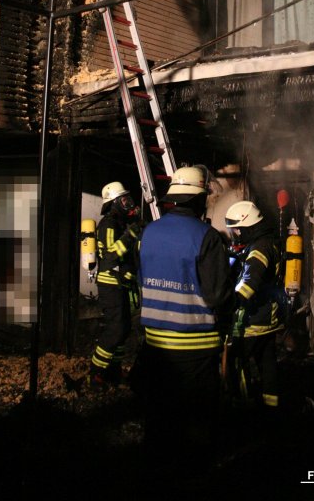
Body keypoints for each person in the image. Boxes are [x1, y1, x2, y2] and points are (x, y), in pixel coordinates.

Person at [138, 165, 234, 470]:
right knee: (195, 421)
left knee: (160, 415)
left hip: (155, 345)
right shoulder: (207, 237)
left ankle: (156, 471)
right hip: (195, 346)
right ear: (199, 198)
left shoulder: (148, 232)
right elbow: (217, 295)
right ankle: (193, 475)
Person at [225, 200, 285, 410]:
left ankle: (243, 403)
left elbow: (249, 284)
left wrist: (228, 304)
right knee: (267, 363)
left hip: (253, 321)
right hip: (268, 317)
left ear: (246, 226)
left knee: (237, 362)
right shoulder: (265, 242)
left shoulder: (260, 248)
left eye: (237, 230)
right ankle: (271, 407)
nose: (236, 234)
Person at [89, 181, 142, 389]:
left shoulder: (120, 223)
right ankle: (97, 372)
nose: (128, 204)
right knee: (116, 329)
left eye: (127, 199)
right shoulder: (109, 224)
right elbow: (111, 256)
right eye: (123, 200)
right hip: (110, 285)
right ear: (113, 203)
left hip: (120, 284)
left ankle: (113, 370)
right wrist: (132, 234)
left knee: (124, 328)